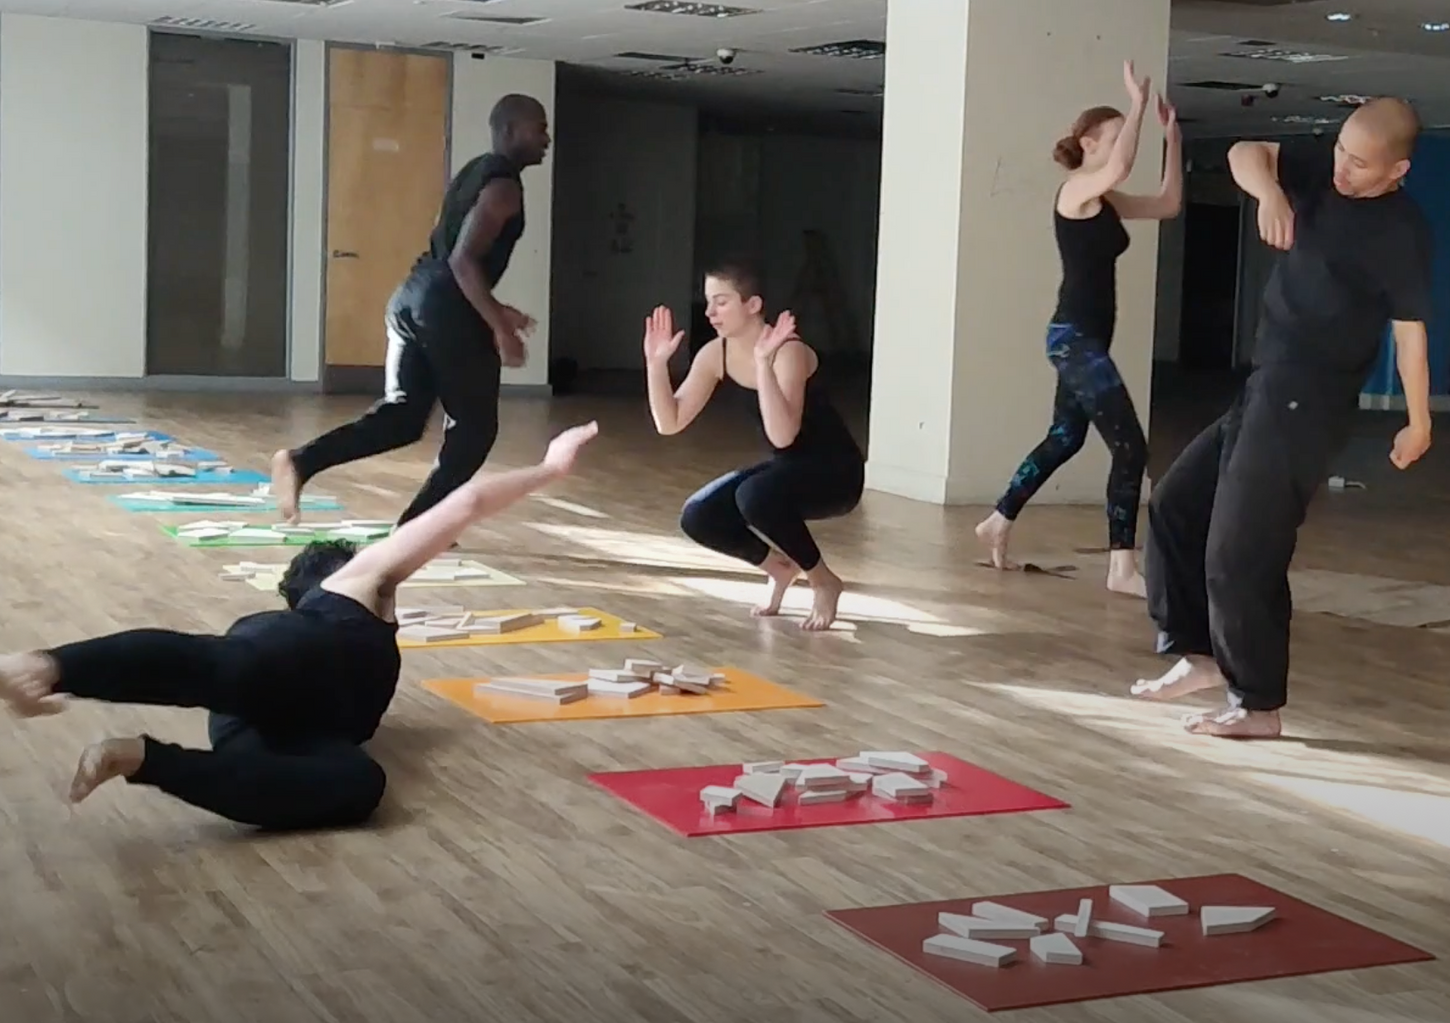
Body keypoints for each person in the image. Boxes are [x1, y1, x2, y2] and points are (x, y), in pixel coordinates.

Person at [0, 422, 600, 829]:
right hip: (277, 668)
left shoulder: (335, 605)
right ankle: (43, 666)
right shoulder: (357, 585)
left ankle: (138, 759)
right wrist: (549, 468)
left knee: (357, 786)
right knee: (228, 666)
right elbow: (463, 505)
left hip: (288, 718)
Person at [1132, 96, 1433, 738]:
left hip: (1309, 403)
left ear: (1397, 171)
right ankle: (1201, 656)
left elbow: (1411, 334)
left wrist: (1418, 420)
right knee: (1176, 507)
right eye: (1340, 153)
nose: (1342, 169)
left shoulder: (1401, 234)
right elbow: (1246, 151)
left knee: (1241, 551)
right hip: (1264, 386)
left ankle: (1259, 704)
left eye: (1359, 163)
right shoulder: (1319, 171)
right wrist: (1269, 191)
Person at [271, 94, 552, 527]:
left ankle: (300, 462)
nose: (546, 138)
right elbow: (462, 261)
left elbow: (450, 255)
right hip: (446, 310)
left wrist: (497, 308)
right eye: (539, 128)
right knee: (474, 430)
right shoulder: (503, 187)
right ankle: (418, 527)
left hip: (412, 298)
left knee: (403, 416)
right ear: (511, 131)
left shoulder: (475, 172)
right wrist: (500, 327)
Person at [976, 61, 1182, 598]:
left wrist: (1174, 136)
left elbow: (1168, 203)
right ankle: (1122, 570)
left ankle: (998, 520)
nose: (1120, 150)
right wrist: (1136, 106)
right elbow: (1122, 165)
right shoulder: (1076, 193)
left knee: (1066, 438)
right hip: (1074, 338)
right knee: (1131, 448)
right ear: (1089, 143)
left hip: (1083, 339)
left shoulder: (1105, 200)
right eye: (1111, 139)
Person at [644, 261, 865, 631]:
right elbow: (670, 423)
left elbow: (783, 436)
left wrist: (763, 364)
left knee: (754, 495)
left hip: (836, 473)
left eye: (722, 302)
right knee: (698, 515)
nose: (710, 312)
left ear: (752, 305)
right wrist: (656, 366)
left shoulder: (788, 351)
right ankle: (779, 567)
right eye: (708, 302)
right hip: (787, 469)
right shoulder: (717, 353)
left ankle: (822, 579)